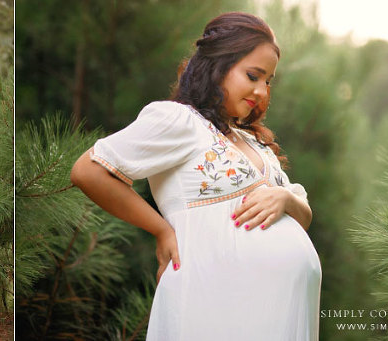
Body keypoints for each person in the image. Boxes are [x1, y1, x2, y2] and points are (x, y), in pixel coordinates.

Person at [70, 12, 321, 340]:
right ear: (218, 66)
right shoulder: (178, 121)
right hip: (212, 301)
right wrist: (160, 229)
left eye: (268, 81)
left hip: (278, 312)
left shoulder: (252, 141)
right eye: (253, 75)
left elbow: (302, 218)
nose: (262, 91)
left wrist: (285, 197)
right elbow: (88, 170)